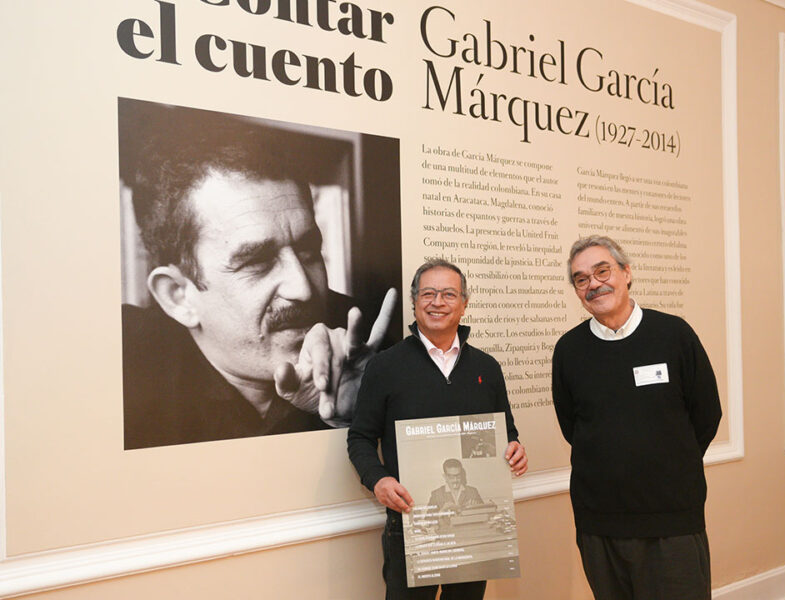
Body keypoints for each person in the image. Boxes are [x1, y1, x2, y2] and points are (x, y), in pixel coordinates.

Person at [119, 99, 397, 449]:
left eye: (308, 250)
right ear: (178, 296)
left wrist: (360, 419)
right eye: (257, 262)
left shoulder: (384, 350)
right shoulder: (113, 374)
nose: (303, 289)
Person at [551, 235, 722, 600]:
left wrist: (669, 464)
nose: (594, 284)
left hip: (672, 519)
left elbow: (707, 414)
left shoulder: (674, 334)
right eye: (582, 279)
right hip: (599, 522)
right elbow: (574, 427)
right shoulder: (568, 350)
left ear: (626, 273)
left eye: (602, 271)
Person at [348, 259, 528, 600]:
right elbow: (359, 438)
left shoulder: (487, 368)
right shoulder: (385, 366)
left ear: (464, 303)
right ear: (415, 302)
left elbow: (505, 432)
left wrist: (515, 448)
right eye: (428, 293)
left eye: (448, 294)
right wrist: (378, 480)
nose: (437, 302)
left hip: (471, 530)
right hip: (412, 525)